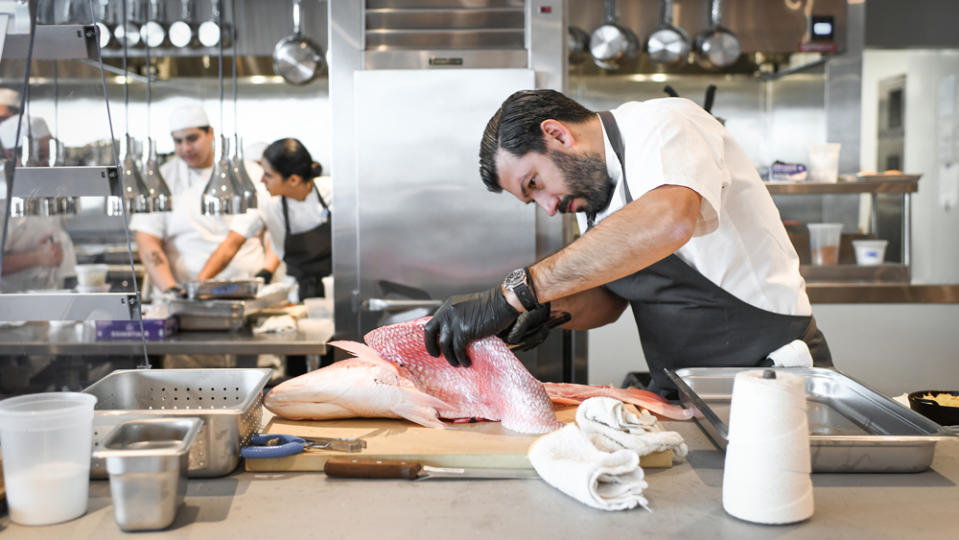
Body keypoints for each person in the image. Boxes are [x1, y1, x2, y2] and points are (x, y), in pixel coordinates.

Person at [423, 89, 831, 397]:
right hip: (684, 389)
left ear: (557, 134)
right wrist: (541, 309)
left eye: (536, 183)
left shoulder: (665, 125)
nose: (548, 207)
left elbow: (668, 222)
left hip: (769, 376)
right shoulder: (595, 198)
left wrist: (513, 293)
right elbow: (609, 301)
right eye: (533, 200)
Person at [129, 104, 269, 298]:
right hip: (183, 294)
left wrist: (267, 273)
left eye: (192, 138)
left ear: (210, 134)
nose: (185, 148)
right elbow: (147, 240)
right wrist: (171, 290)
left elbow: (267, 233)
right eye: (178, 141)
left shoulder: (249, 174)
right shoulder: (161, 180)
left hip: (247, 292)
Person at [196, 138, 332, 300]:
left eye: (268, 175)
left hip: (337, 287)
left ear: (293, 180)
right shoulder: (264, 199)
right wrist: (198, 285)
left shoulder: (332, 192)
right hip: (296, 291)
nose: (262, 180)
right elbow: (231, 244)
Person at [0, 115, 76, 292]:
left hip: (51, 298)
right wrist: (37, 258)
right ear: (11, 155)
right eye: (41, 156)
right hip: (10, 311)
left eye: (49, 155)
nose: (47, 164)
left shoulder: (44, 189)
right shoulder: (2, 199)